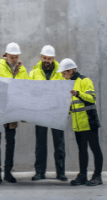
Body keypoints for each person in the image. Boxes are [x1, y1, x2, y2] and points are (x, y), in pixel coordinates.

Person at [0, 42, 29, 185]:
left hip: (12, 108)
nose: (14, 60)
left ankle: (8, 172)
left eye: (16, 57)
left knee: (11, 142)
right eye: (12, 57)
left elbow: (26, 87)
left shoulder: (22, 70)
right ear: (6, 55)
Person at [57, 58, 103, 187]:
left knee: (95, 149)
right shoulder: (69, 84)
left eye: (64, 73)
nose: (63, 76)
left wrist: (77, 93)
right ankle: (82, 176)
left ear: (71, 71)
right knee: (82, 151)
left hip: (90, 122)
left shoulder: (85, 81)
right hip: (78, 125)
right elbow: (75, 106)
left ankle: (97, 176)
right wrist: (66, 112)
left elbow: (91, 98)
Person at [28, 45, 67, 182]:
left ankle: (61, 173)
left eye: (49, 59)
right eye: (44, 58)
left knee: (59, 144)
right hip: (40, 112)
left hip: (56, 112)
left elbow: (66, 92)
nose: (47, 61)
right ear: (41, 57)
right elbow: (29, 92)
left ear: (53, 58)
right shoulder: (33, 73)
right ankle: (39, 172)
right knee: (40, 144)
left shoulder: (61, 72)